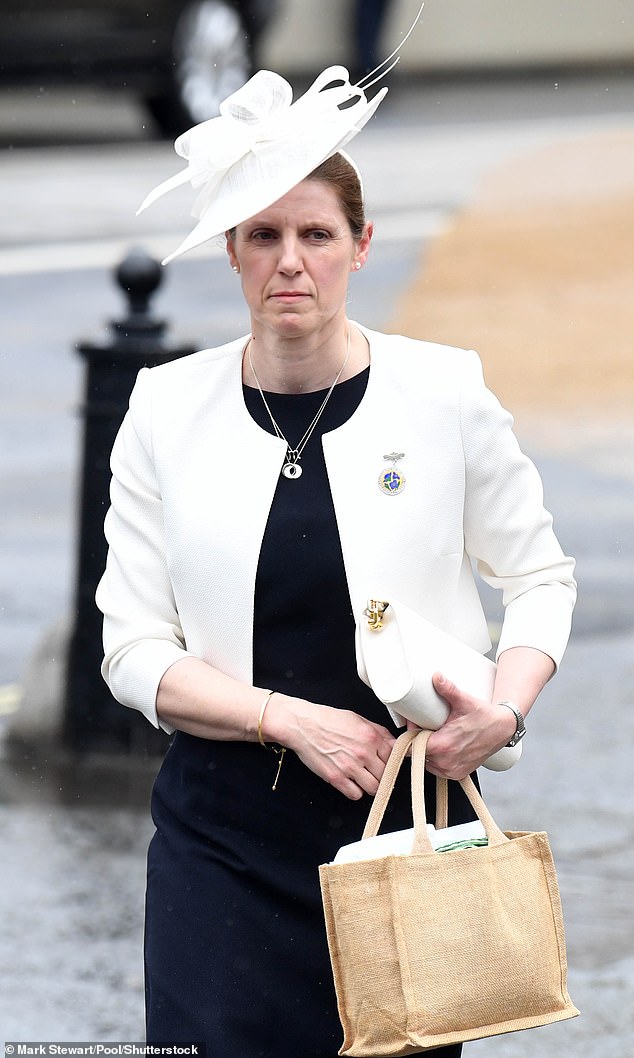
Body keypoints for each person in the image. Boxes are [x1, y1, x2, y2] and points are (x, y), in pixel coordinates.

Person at [96, 58, 576, 1057]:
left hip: (403, 832)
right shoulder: (164, 407)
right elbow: (133, 649)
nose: (290, 261)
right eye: (263, 235)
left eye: (315, 235)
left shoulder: (443, 394)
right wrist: (286, 719)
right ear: (231, 250)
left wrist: (505, 706)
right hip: (219, 839)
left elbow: (537, 577)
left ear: (359, 247)